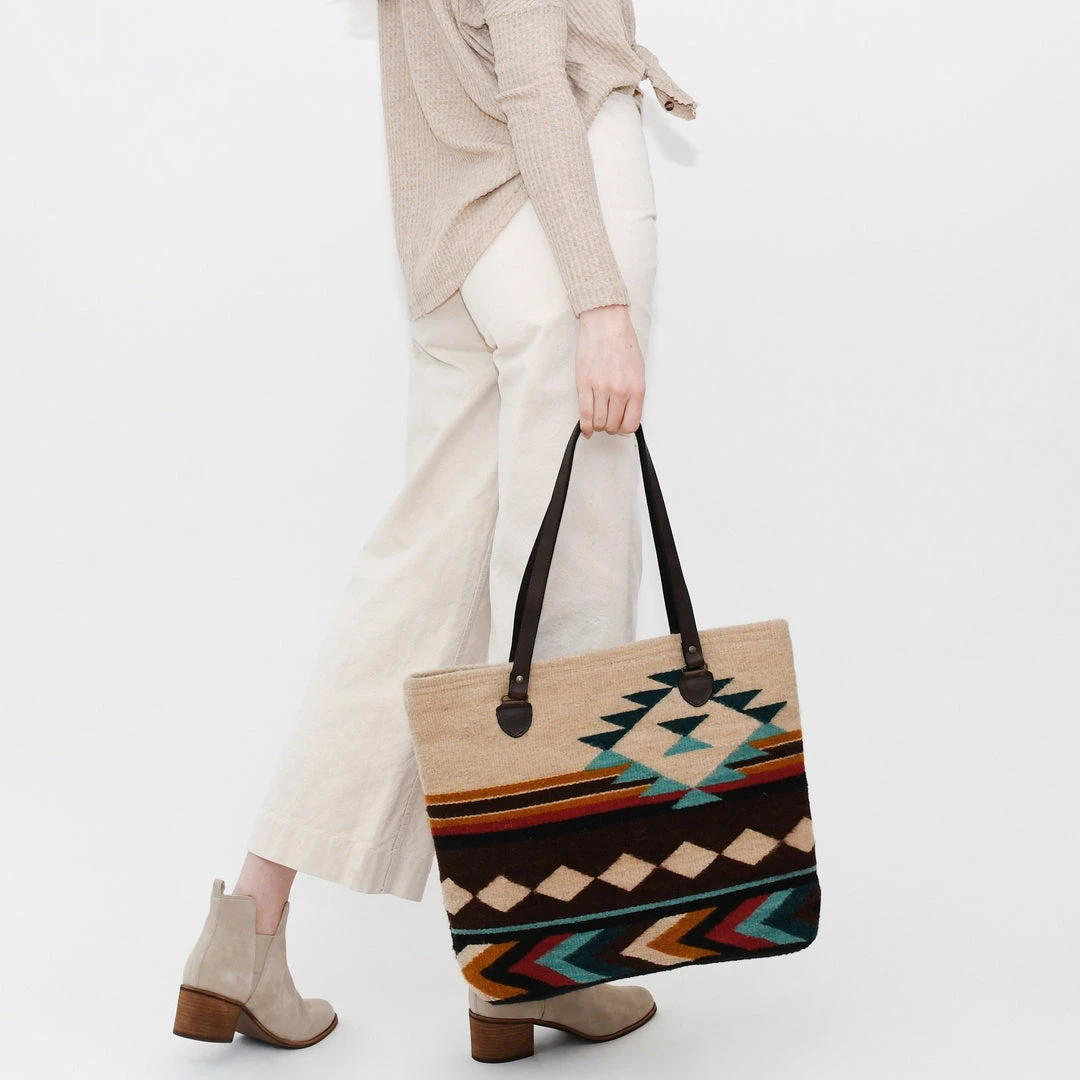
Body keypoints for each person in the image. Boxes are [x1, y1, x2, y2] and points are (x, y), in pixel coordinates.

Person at [172, 0, 696, 1062]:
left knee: (420, 587)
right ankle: (538, 956)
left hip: (454, 232)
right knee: (575, 593)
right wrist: (600, 305)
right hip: (557, 219)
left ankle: (247, 930)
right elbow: (533, 75)